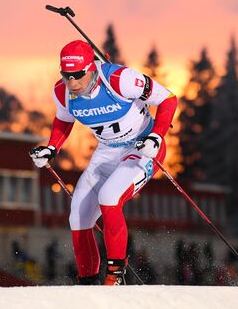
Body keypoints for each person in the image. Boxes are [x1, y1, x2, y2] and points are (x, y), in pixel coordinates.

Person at [29, 40, 177, 285]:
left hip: (141, 147)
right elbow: (64, 120)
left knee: (109, 197)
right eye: (66, 76)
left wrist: (156, 136)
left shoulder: (120, 79)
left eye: (77, 75)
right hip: (108, 151)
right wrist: (51, 148)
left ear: (92, 68)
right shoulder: (62, 91)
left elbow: (168, 99)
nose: (72, 82)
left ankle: (116, 276)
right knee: (78, 216)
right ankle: (87, 283)